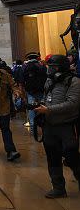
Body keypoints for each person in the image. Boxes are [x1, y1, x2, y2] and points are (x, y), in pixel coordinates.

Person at [33, 54, 80, 198]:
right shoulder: (49, 81)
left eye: (53, 67)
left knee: (72, 156)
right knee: (52, 158)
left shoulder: (74, 82)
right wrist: (41, 106)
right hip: (50, 125)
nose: (50, 70)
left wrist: (49, 110)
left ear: (61, 68)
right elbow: (47, 97)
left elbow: (73, 103)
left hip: (66, 125)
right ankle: (58, 187)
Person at [21, 52, 47, 135]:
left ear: (28, 58)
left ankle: (33, 129)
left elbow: (22, 80)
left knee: (31, 109)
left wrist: (23, 91)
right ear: (37, 58)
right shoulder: (42, 66)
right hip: (41, 91)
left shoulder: (25, 67)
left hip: (30, 92)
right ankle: (44, 128)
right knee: (42, 108)